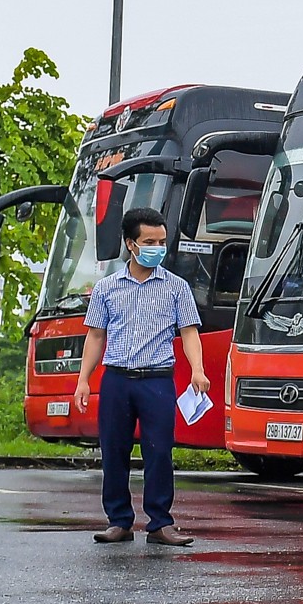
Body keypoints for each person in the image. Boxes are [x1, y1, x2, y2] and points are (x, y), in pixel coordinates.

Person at [74, 208, 210, 547]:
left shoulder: (177, 288)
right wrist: (83, 379)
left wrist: (197, 369)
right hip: (117, 379)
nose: (157, 248)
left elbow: (190, 333)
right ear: (130, 244)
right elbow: (95, 336)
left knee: (160, 452)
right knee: (114, 451)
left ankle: (161, 523)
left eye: (162, 242)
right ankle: (119, 521)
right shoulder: (106, 288)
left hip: (158, 380)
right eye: (149, 241)